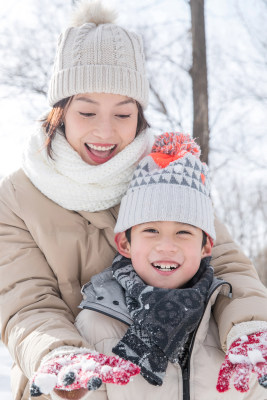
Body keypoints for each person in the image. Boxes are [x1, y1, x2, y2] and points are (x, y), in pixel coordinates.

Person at [0, 1, 267, 399]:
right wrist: (58, 354)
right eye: (87, 112)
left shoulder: (167, 171)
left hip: (191, 376)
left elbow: (226, 264)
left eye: (123, 115)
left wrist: (250, 327)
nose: (105, 132)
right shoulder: (17, 197)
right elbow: (26, 302)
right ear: (59, 111)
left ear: (139, 115)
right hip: (77, 384)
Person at [74, 132, 267, 399]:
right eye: (151, 230)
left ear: (206, 247)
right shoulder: (97, 324)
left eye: (184, 232)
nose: (167, 246)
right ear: (125, 244)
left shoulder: (230, 325)